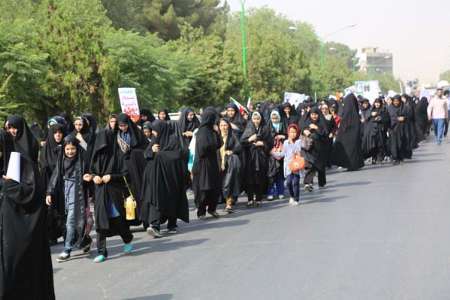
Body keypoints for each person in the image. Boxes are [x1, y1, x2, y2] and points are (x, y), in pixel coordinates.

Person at [0, 115, 55, 299]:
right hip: (8, 224)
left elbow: (32, 193)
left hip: (22, 228)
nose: (11, 131)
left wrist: (8, 185)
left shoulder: (24, 160)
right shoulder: (7, 158)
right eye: (8, 128)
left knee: (21, 267)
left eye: (14, 127)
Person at [90, 128, 134, 263]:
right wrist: (93, 177)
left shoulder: (118, 154)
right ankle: (102, 252)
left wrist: (112, 176)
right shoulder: (94, 155)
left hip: (114, 192)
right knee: (100, 222)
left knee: (119, 220)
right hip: (100, 193)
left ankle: (127, 239)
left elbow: (125, 173)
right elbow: (89, 171)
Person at [46, 136, 92, 261]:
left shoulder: (82, 160)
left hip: (78, 193)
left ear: (77, 148)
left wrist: (88, 177)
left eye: (73, 149)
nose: (70, 152)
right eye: (67, 149)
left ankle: (67, 250)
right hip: (64, 193)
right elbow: (55, 176)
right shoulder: (61, 160)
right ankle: (85, 241)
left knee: (71, 221)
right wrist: (49, 192)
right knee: (71, 221)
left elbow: (89, 174)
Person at [141, 120, 190, 237]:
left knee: (171, 198)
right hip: (156, 177)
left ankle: (172, 224)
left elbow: (177, 155)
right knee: (156, 199)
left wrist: (160, 154)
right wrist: (151, 151)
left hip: (171, 176)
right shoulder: (154, 140)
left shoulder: (173, 139)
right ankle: (155, 225)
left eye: (155, 131)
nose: (154, 133)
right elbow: (146, 154)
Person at [192, 107, 222, 219]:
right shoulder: (202, 131)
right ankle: (201, 211)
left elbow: (219, 144)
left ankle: (212, 209)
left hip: (212, 163)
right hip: (203, 164)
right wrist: (213, 144)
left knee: (214, 187)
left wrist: (217, 133)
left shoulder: (212, 130)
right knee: (204, 188)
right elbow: (203, 149)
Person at [40, 124, 66, 244]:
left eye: (60, 132)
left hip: (65, 185)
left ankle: (68, 235)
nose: (58, 135)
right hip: (50, 186)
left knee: (65, 211)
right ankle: (52, 236)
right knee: (51, 211)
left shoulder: (67, 146)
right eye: (55, 132)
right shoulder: (46, 149)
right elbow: (44, 169)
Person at [241, 112, 272, 207]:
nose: (256, 121)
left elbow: (270, 142)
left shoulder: (265, 128)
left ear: (261, 119)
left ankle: (258, 198)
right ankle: (250, 199)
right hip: (250, 157)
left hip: (261, 156)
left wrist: (262, 144)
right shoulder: (249, 128)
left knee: (260, 177)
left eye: (258, 119)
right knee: (250, 178)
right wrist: (250, 139)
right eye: (254, 119)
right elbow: (242, 141)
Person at [332, 94, 364, 171]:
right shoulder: (355, 114)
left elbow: (343, 125)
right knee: (354, 150)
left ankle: (349, 164)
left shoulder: (346, 113)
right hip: (354, 136)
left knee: (348, 150)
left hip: (346, 136)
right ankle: (355, 164)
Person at [272, 124, 302, 205]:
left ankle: (296, 199)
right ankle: (292, 196)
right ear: (288, 132)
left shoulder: (298, 141)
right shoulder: (285, 142)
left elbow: (297, 150)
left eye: (294, 132)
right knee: (288, 182)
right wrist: (274, 153)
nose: (293, 134)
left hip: (296, 165)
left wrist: (291, 142)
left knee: (295, 182)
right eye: (291, 132)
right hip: (288, 166)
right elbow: (283, 153)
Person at [301, 107, 330, 190]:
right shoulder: (307, 122)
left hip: (320, 148)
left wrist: (316, 128)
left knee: (320, 166)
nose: (314, 116)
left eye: (316, 114)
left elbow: (325, 133)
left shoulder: (322, 122)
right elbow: (302, 128)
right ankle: (308, 183)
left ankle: (321, 182)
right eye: (312, 114)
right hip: (309, 148)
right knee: (310, 165)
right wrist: (305, 131)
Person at [218, 118, 242, 213]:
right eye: (221, 125)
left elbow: (239, 147)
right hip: (218, 162)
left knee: (228, 183)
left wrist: (232, 151)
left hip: (230, 163)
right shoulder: (216, 136)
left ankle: (229, 204)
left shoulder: (232, 136)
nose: (223, 127)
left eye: (225, 125)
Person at [361, 98, 390, 164]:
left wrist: (381, 118)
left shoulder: (383, 110)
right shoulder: (371, 110)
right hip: (372, 130)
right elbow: (366, 118)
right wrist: (371, 115)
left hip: (380, 129)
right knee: (373, 144)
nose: (377, 104)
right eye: (376, 102)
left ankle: (380, 157)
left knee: (380, 144)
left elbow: (387, 118)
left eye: (378, 103)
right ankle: (374, 157)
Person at [387, 95, 411, 165]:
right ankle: (395, 158)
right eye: (394, 101)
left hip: (402, 128)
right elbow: (388, 117)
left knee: (401, 143)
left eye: (397, 101)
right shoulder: (389, 108)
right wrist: (396, 119)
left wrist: (404, 118)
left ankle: (401, 157)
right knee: (394, 144)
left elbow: (409, 116)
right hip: (392, 128)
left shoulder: (404, 107)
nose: (396, 102)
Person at [267, 110, 286, 200]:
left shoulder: (283, 125)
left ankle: (281, 192)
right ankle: (270, 192)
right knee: (271, 173)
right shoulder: (267, 126)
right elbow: (265, 138)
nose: (274, 120)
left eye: (276, 118)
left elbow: (288, 135)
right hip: (271, 154)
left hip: (281, 153)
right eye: (273, 118)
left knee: (280, 174)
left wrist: (283, 136)